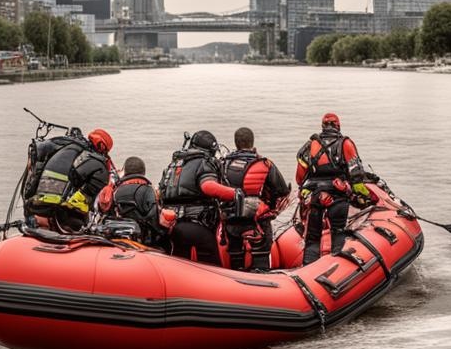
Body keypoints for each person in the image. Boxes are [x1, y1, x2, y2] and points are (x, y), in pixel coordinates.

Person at [295, 113, 374, 263]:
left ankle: (309, 268)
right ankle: (338, 267)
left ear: (323, 127)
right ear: (338, 126)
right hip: (338, 196)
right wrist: (365, 196)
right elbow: (356, 177)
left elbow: (300, 178)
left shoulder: (309, 145)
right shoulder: (346, 144)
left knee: (312, 238)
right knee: (338, 232)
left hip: (316, 196)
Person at [159, 130, 241, 266]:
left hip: (171, 226)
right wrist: (236, 194)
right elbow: (208, 186)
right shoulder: (204, 162)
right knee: (212, 265)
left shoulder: (173, 165)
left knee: (180, 261)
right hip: (196, 226)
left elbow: (161, 192)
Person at [222, 127, 290, 271]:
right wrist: (271, 206)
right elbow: (281, 190)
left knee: (235, 255)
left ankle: (236, 277)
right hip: (257, 218)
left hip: (231, 216)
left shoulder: (223, 164)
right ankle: (261, 275)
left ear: (236, 143)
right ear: (252, 142)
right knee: (261, 253)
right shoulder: (265, 163)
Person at [23, 126, 115, 232]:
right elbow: (89, 177)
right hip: (57, 214)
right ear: (102, 146)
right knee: (101, 171)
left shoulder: (61, 149)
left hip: (33, 209)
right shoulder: (92, 160)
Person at [96, 156, 167, 247]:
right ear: (143, 172)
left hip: (116, 239)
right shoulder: (148, 190)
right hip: (141, 242)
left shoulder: (114, 191)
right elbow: (154, 219)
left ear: (125, 172)